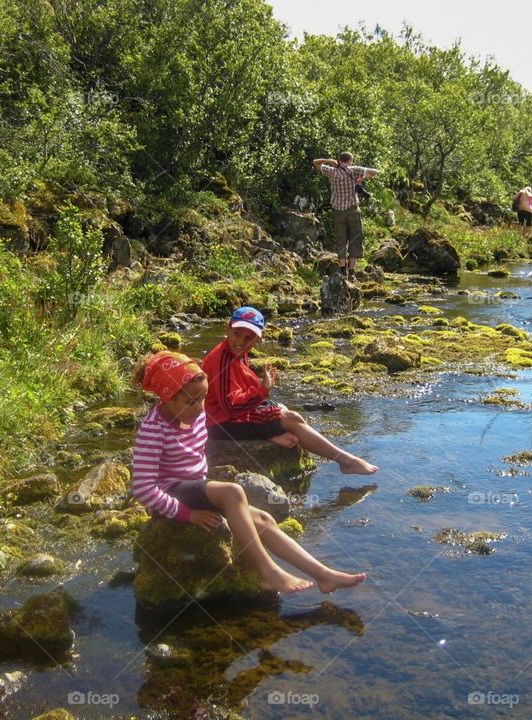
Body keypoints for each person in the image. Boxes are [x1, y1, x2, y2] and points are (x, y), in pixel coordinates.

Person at [131, 350, 368, 594]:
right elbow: (142, 488)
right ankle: (269, 572)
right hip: (172, 493)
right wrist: (186, 514)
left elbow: (231, 425)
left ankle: (324, 575)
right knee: (233, 493)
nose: (200, 407)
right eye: (191, 401)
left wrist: (270, 434)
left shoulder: (196, 415)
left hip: (195, 487)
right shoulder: (153, 429)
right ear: (166, 398)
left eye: (203, 397)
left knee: (264, 519)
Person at [201, 306, 378, 475]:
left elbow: (237, 394)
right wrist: (263, 389)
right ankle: (346, 461)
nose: (240, 341)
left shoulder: (235, 352)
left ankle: (270, 434)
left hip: (226, 417)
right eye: (237, 334)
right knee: (291, 419)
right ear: (228, 329)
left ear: (257, 340)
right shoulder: (223, 358)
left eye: (248, 338)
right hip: (218, 423)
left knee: (282, 407)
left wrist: (261, 392)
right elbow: (230, 407)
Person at [313, 152, 380, 279]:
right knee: (355, 239)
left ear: (340, 160)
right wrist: (362, 178)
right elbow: (375, 171)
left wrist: (330, 161)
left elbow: (315, 162)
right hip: (353, 210)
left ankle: (343, 269)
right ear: (350, 160)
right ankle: (352, 271)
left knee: (341, 240)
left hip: (338, 212)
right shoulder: (354, 170)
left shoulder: (332, 171)